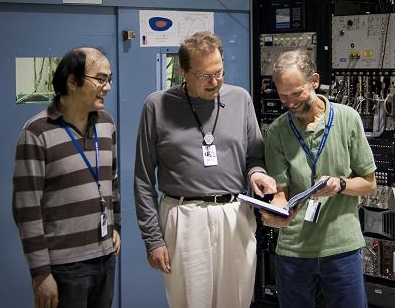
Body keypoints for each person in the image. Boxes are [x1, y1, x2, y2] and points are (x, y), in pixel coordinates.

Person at [134, 31, 276, 308]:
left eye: (219, 72)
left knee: (236, 301)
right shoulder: (157, 105)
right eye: (205, 76)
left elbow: (254, 157)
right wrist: (153, 239)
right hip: (184, 216)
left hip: (234, 215)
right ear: (183, 72)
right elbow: (142, 178)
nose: (215, 82)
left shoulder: (240, 99)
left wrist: (256, 174)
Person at [262, 50, 376, 308]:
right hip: (294, 250)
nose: (290, 102)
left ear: (314, 80)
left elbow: (369, 183)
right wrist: (276, 211)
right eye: (283, 96)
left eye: (297, 93)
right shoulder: (278, 131)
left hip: (342, 247)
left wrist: (342, 184)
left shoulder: (347, 119)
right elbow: (280, 192)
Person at [13, 47, 121, 308]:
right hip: (64, 266)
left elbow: (112, 181)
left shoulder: (106, 124)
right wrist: (41, 274)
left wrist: (116, 226)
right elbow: (26, 209)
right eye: (101, 79)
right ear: (72, 82)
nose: (107, 87)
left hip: (105, 258)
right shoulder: (37, 132)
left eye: (109, 79)